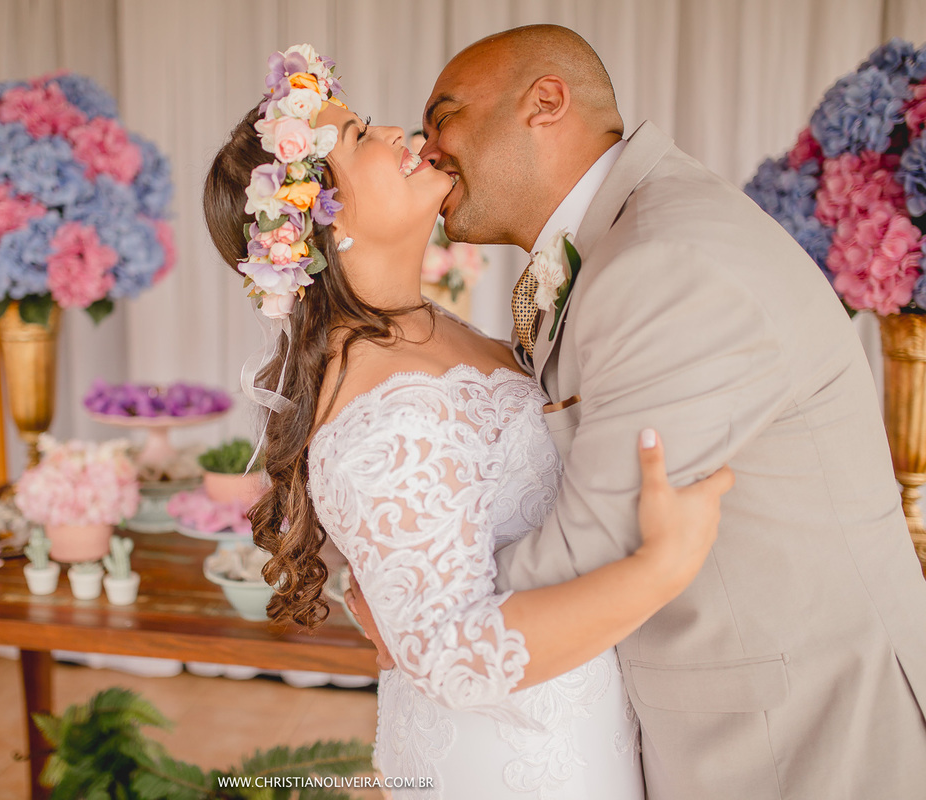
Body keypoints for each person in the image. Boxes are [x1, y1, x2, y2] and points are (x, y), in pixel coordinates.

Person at [368, 23, 926, 800]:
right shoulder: (628, 239)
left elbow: (591, 550)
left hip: (802, 742)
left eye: (444, 116)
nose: (426, 148)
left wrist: (412, 603)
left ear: (547, 101)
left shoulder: (666, 260)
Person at [203, 44, 732, 799]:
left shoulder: (430, 330)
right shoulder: (380, 411)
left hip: (572, 717)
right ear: (326, 224)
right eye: (360, 139)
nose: (406, 139)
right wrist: (661, 569)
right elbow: (454, 658)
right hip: (515, 761)